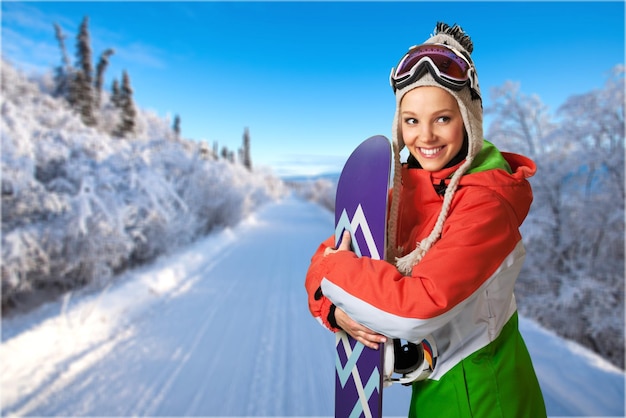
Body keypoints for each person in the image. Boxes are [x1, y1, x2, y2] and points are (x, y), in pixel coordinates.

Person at [305, 22, 547, 417]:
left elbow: (414, 309)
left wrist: (335, 275)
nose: (426, 137)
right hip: (435, 392)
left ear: (468, 119)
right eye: (412, 120)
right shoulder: (410, 190)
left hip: (483, 395)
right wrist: (335, 308)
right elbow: (331, 254)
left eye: (442, 118)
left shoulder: (486, 202)